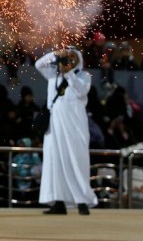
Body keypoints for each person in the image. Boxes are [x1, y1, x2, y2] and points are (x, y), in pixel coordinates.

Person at [35, 47, 97, 215]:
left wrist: (69, 73)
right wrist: (55, 54)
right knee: (54, 162)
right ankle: (58, 202)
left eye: (72, 57)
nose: (68, 60)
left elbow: (81, 90)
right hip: (55, 128)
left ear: (79, 59)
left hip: (75, 128)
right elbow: (38, 64)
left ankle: (82, 201)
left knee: (76, 161)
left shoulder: (84, 76)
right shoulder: (52, 75)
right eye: (66, 57)